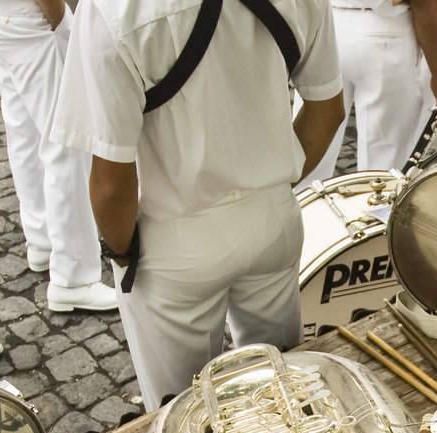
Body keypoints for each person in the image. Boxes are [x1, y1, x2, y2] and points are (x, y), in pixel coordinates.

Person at [52, 0, 346, 407]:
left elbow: (110, 184)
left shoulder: (109, 8)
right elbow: (327, 110)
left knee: (182, 413)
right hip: (272, 218)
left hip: (172, 236)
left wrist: (121, 252)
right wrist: (269, 182)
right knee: (279, 393)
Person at [0, 0, 119, 312]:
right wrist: (58, 16)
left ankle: (43, 237)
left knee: (24, 127)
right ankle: (73, 278)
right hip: (25, 16)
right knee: (67, 139)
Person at [305, 1, 437, 182]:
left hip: (325, 25)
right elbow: (428, 5)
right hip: (385, 32)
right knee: (382, 167)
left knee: (309, 155)